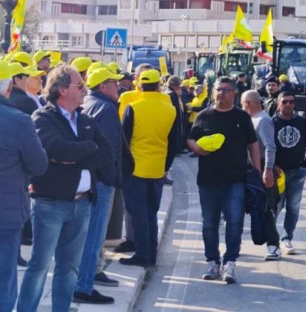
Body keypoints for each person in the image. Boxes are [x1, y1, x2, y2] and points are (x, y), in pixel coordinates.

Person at [19, 65, 113, 312]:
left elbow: (106, 154)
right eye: (79, 86)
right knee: (39, 266)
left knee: (69, 267)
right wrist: (86, 149)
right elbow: (56, 150)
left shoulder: (86, 120)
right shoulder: (42, 118)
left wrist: (77, 155)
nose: (84, 89)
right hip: (50, 203)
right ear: (62, 90)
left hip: (81, 204)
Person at [187, 77, 260, 284]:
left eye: (226, 90)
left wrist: (258, 170)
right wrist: (197, 148)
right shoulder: (204, 116)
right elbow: (190, 138)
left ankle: (230, 263)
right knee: (209, 224)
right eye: (218, 90)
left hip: (236, 180)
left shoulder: (242, 117)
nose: (221, 93)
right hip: (208, 181)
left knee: (235, 222)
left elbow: (253, 144)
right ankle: (212, 262)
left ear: (234, 93)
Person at [74, 67, 126, 304]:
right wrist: (110, 176)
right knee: (94, 236)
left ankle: (83, 281)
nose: (119, 86)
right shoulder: (106, 108)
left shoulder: (88, 104)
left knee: (88, 236)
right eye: (114, 83)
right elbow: (106, 149)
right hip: (101, 181)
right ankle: (84, 286)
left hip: (90, 179)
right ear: (103, 86)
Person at [0, 61, 48, 312]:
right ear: (9, 87)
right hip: (6, 213)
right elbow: (39, 165)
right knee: (3, 282)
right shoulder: (18, 121)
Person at [120, 69, 179, 267]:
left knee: (138, 214)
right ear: (159, 85)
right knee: (151, 213)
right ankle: (151, 254)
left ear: (139, 85)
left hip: (135, 168)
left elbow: (124, 140)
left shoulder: (133, 107)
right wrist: (165, 166)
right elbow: (175, 142)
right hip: (157, 168)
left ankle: (142, 254)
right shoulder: (170, 109)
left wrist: (125, 167)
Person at [271, 92, 306, 256]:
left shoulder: (303, 122)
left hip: (298, 172)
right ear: (279, 104)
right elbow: (266, 147)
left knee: (293, 207)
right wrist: (272, 166)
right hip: (278, 173)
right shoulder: (272, 123)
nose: (288, 104)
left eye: (291, 102)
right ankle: (272, 240)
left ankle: (286, 238)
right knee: (276, 206)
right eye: (285, 102)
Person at [241, 90, 280, 260]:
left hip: (262, 167)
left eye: (243, 103)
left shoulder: (263, 120)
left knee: (265, 208)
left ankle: (273, 245)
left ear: (248, 103)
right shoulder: (251, 120)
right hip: (250, 169)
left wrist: (268, 170)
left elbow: (270, 147)